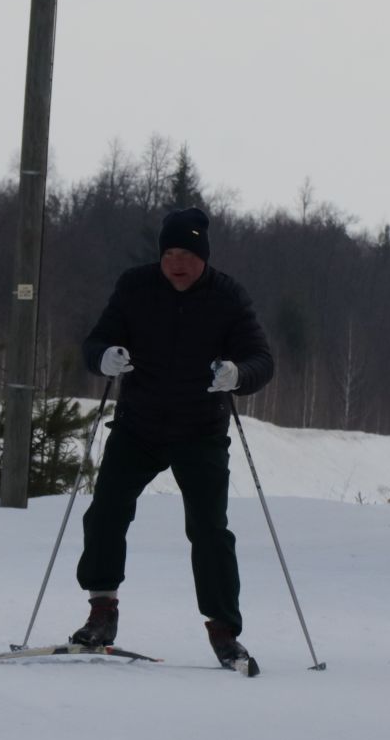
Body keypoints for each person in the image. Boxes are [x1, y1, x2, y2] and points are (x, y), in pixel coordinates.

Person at [68, 206, 275, 671]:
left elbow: (262, 359)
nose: (176, 263)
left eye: (187, 253)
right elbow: (95, 342)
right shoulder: (135, 286)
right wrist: (106, 358)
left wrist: (237, 374)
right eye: (169, 253)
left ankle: (224, 633)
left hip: (199, 430)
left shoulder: (228, 296)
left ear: (203, 256)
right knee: (105, 512)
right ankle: (102, 612)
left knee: (208, 530)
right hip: (138, 424)